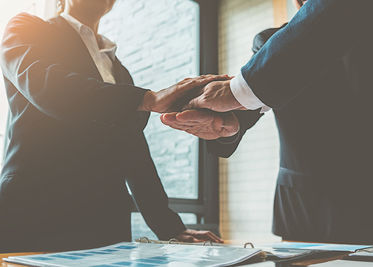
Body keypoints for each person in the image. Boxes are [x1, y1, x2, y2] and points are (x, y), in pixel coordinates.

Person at [162, 0, 373, 245]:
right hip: (307, 211)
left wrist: (231, 101)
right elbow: (250, 106)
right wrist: (230, 124)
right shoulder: (272, 42)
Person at [0, 0, 224, 252]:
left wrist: (170, 228)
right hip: (36, 211)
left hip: (104, 221)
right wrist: (148, 98)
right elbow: (45, 84)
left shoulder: (119, 70)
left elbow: (133, 149)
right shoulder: (26, 28)